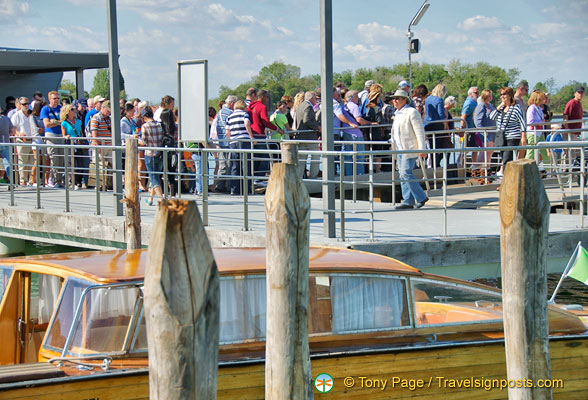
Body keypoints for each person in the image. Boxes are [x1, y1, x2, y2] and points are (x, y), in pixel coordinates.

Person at [389, 90, 428, 210]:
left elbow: (419, 131)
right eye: (394, 98)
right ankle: (408, 201)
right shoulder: (397, 113)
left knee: (406, 172)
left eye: (398, 98)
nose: (395, 101)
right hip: (399, 149)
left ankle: (421, 197)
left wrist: (422, 148)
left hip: (410, 148)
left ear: (405, 100)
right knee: (402, 174)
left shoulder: (411, 112)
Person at [490, 87, 526, 175]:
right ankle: (507, 178)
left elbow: (522, 122)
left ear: (510, 95)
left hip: (513, 137)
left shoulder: (516, 108)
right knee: (504, 158)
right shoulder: (501, 109)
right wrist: (500, 106)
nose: (502, 96)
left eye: (504, 94)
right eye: (501, 94)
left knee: (507, 159)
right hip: (502, 137)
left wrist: (523, 137)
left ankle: (505, 181)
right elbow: (492, 117)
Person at [248, 90, 280, 181]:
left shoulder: (250, 107)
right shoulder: (262, 107)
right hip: (260, 135)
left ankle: (253, 179)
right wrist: (277, 129)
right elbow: (265, 120)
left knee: (255, 158)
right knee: (264, 158)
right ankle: (258, 179)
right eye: (267, 97)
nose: (267, 99)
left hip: (252, 135)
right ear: (262, 97)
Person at [226, 100, 255, 195]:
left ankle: (234, 189)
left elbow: (227, 132)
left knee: (235, 165)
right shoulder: (244, 114)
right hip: (244, 140)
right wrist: (251, 137)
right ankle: (247, 188)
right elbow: (247, 123)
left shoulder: (229, 117)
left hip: (233, 142)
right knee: (246, 164)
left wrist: (230, 140)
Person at [139, 107, 164, 206]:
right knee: (156, 176)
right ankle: (150, 199)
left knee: (154, 178)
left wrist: (136, 139)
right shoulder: (159, 125)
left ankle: (162, 200)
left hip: (150, 154)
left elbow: (144, 142)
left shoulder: (145, 126)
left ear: (145, 117)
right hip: (159, 153)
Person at [293, 91, 321, 179]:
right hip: (309, 137)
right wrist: (317, 127)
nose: (317, 100)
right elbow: (306, 120)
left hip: (301, 137)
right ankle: (313, 176)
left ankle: (299, 178)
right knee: (315, 156)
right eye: (315, 98)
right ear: (311, 98)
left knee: (302, 159)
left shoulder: (300, 105)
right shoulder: (308, 106)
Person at [212, 95, 236, 193]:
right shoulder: (231, 113)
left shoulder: (219, 113)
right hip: (228, 142)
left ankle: (220, 185)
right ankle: (228, 186)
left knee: (222, 165)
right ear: (232, 103)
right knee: (230, 165)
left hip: (220, 142)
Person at [41, 91, 64, 188]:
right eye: (54, 98)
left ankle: (59, 180)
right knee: (54, 158)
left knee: (61, 159)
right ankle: (54, 180)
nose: (56, 100)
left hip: (60, 135)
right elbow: (46, 124)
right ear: (50, 99)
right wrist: (58, 122)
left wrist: (54, 121)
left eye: (58, 98)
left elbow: (64, 121)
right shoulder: (45, 109)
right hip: (51, 135)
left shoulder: (60, 108)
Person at [424, 84, 451, 167]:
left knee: (431, 147)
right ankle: (436, 165)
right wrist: (445, 123)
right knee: (438, 146)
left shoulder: (427, 99)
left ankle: (432, 165)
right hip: (437, 125)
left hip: (427, 125)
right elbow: (441, 114)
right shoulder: (439, 100)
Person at [60, 104, 85, 189]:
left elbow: (81, 133)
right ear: (67, 112)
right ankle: (72, 181)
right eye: (72, 109)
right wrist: (66, 136)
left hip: (78, 144)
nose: (74, 111)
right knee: (71, 163)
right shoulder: (64, 123)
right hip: (70, 144)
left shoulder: (78, 121)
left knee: (80, 162)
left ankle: (79, 181)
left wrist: (81, 139)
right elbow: (63, 135)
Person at [11, 97, 33, 185]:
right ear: (20, 105)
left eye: (28, 104)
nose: (26, 106)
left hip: (33, 140)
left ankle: (32, 180)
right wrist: (19, 134)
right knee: (23, 161)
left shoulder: (32, 114)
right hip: (22, 141)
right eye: (24, 104)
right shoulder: (16, 115)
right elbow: (13, 129)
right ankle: (23, 180)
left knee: (33, 161)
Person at [474, 90, 497, 170]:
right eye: (489, 96)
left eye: (491, 95)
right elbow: (477, 121)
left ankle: (487, 169)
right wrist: (483, 131)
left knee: (489, 151)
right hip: (485, 133)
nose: (491, 97)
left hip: (492, 132)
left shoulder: (490, 106)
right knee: (485, 151)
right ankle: (478, 168)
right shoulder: (481, 106)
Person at [525, 90, 549, 164]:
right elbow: (530, 122)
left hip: (540, 133)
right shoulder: (531, 108)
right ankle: (524, 168)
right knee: (531, 152)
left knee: (544, 152)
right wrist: (541, 122)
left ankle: (548, 171)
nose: (543, 100)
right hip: (533, 133)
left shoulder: (539, 108)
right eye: (541, 98)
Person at [460, 86, 481, 170]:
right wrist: (462, 128)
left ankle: (475, 164)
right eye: (475, 93)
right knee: (468, 147)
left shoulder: (474, 102)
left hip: (474, 128)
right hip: (469, 129)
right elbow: (463, 116)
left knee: (475, 147)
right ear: (470, 94)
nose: (477, 94)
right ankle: (459, 162)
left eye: (477, 92)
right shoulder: (469, 103)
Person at [29, 101, 46, 186]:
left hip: (44, 139)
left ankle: (44, 180)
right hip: (36, 140)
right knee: (37, 160)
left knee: (44, 160)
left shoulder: (42, 116)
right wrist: (43, 129)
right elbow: (36, 129)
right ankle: (33, 180)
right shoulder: (32, 117)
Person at [0, 106, 14, 183]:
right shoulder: (6, 119)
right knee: (7, 163)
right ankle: (11, 182)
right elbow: (12, 130)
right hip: (5, 142)